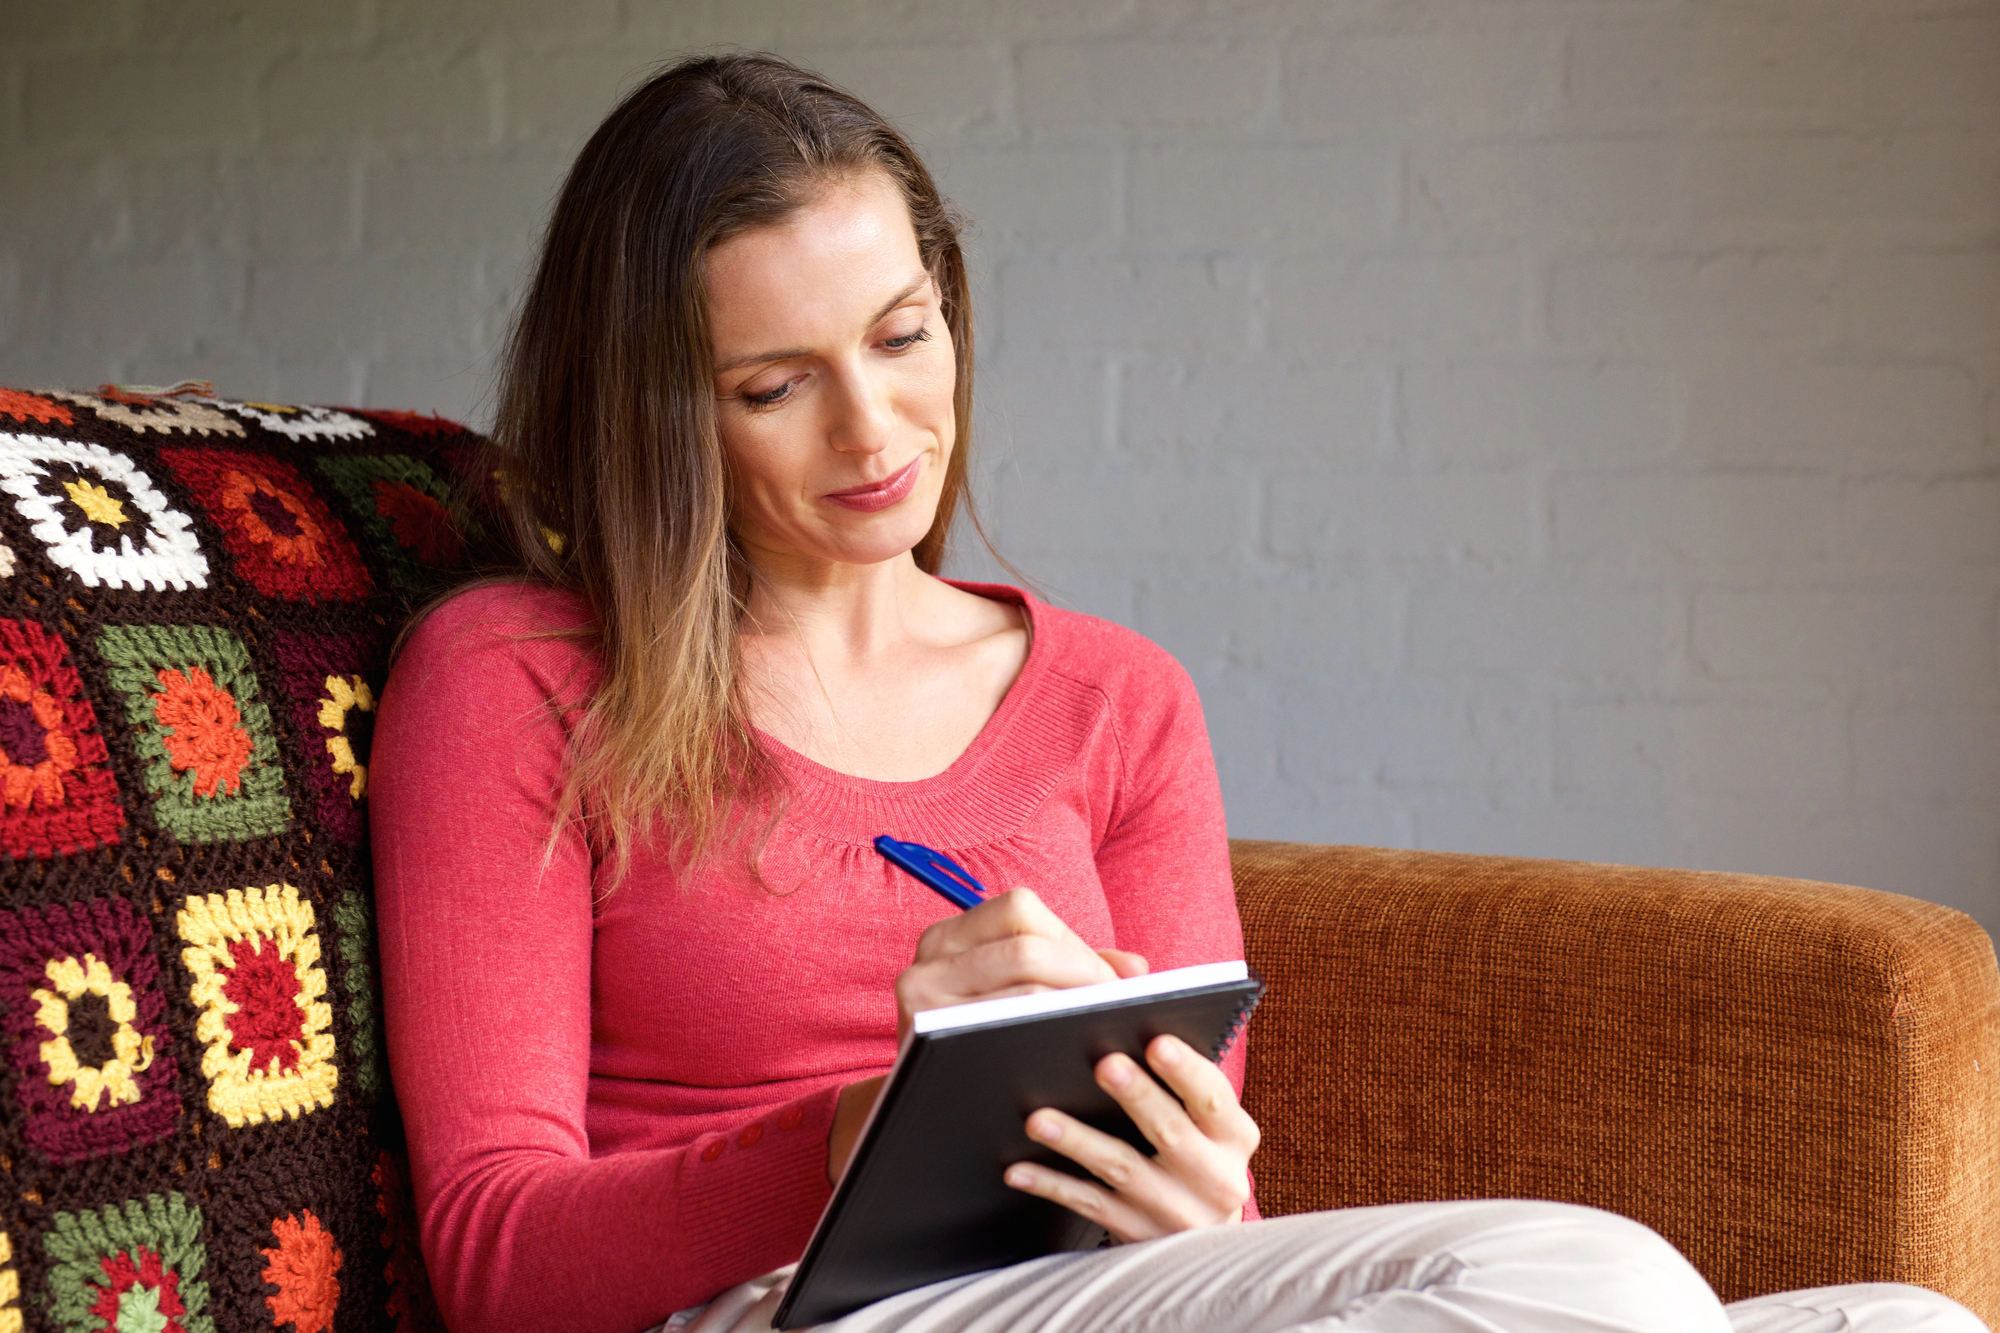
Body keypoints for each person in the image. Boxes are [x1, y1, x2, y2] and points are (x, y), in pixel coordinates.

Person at [369, 53, 1988, 1333]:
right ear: (661, 414)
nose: (877, 432)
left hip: (1081, 1290)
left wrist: (1197, 1181)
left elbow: (1213, 1238)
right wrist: (853, 1139)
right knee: (1605, 1284)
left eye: (904, 336)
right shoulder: (522, 677)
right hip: (786, 1303)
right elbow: (497, 1256)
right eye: (776, 387)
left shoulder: (1113, 698)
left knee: (1910, 1318)